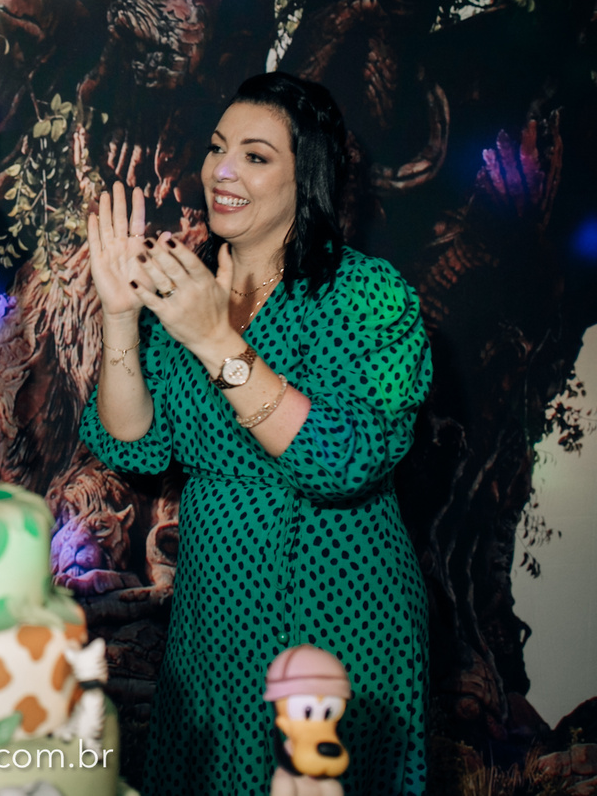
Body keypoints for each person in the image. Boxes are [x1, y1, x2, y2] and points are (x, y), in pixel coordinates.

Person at [80, 72, 431, 795]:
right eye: (217, 148)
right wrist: (119, 313)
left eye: (256, 155)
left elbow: (341, 458)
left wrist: (216, 340)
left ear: (308, 178)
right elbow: (132, 443)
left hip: (335, 609)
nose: (223, 170)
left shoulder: (365, 293)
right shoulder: (188, 282)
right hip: (213, 612)